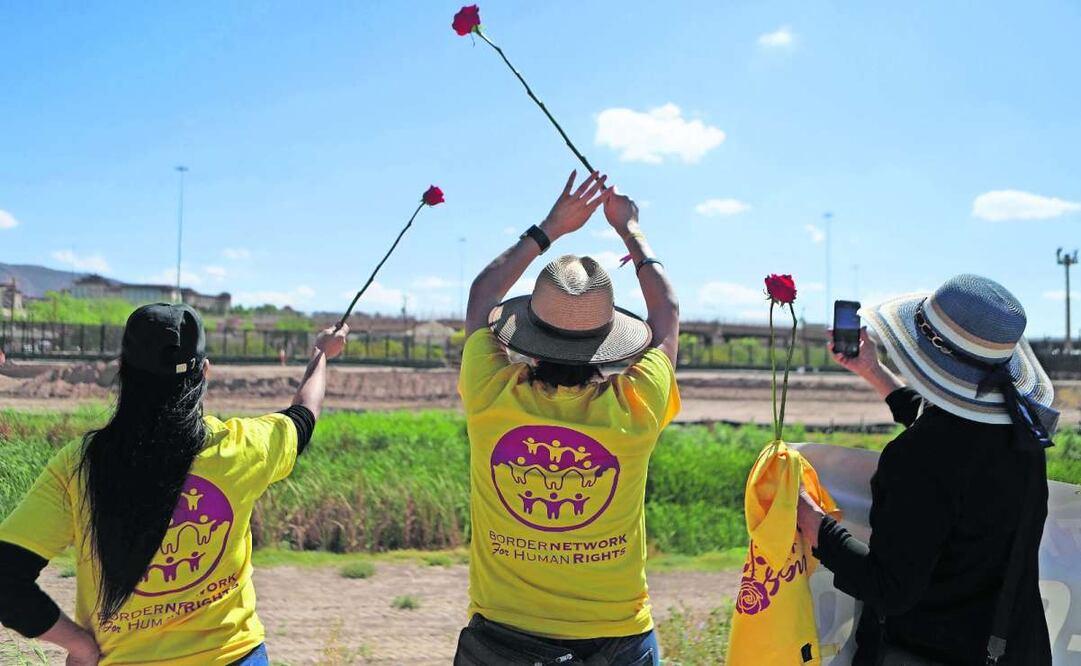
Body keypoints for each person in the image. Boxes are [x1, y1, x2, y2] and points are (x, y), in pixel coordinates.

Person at [0, 303, 348, 665]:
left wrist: (81, 646)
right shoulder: (241, 448)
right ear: (205, 372)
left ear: (122, 371)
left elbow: (6, 580)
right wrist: (321, 353)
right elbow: (304, 415)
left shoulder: (80, 465)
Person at [453, 170, 681, 666]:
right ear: (607, 342)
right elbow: (667, 312)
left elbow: (480, 294)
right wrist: (631, 230)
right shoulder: (634, 407)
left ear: (527, 334)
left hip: (504, 634)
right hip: (617, 636)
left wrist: (550, 228)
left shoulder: (489, 391)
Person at [797, 275, 1056, 665]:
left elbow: (889, 589)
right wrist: (875, 372)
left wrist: (814, 523)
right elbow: (950, 432)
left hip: (934, 651)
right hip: (1014, 648)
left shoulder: (919, 458)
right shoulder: (1022, 436)